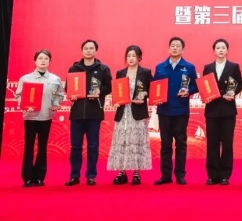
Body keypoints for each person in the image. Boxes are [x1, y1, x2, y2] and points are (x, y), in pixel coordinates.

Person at [65, 40, 112, 186]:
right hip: (77, 113)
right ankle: (74, 175)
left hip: (94, 113)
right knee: (75, 147)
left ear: (95, 51)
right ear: (82, 51)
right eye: (86, 48)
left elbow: (109, 87)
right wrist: (71, 94)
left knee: (93, 147)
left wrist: (99, 91)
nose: (88, 50)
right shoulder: (74, 68)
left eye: (91, 48)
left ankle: (91, 175)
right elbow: (68, 88)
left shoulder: (103, 69)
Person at [153, 37, 199, 185]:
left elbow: (196, 86)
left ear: (182, 50)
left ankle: (180, 174)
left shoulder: (189, 67)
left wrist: (188, 91)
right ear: (168, 48)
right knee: (165, 144)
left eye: (178, 46)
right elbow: (154, 86)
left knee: (181, 143)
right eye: (172, 45)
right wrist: (155, 97)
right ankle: (165, 175)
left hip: (181, 111)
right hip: (164, 110)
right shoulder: (160, 67)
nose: (174, 48)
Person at [16, 49, 63, 187]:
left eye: (46, 58)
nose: (43, 61)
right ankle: (27, 177)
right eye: (40, 58)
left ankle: (39, 177)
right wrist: (24, 105)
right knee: (29, 146)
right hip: (30, 117)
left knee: (42, 146)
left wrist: (56, 104)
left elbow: (59, 95)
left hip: (46, 116)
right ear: (35, 61)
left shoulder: (55, 79)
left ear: (49, 61)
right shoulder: (25, 79)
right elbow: (18, 95)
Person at [107, 45, 153, 185]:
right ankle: (122, 172)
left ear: (139, 58)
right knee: (122, 141)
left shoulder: (145, 73)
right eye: (128, 56)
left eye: (134, 56)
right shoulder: (120, 73)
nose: (131, 58)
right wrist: (116, 101)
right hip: (123, 113)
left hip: (138, 113)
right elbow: (117, 91)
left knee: (136, 142)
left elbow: (152, 90)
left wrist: (144, 94)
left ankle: (136, 173)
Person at [202, 39, 242, 185]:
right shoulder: (208, 67)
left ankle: (225, 174)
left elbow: (239, 84)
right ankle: (213, 175)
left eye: (223, 47)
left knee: (227, 143)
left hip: (227, 110)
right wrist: (205, 95)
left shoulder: (233, 66)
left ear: (227, 50)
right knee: (212, 144)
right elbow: (204, 85)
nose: (220, 50)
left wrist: (232, 93)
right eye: (218, 48)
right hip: (212, 110)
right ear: (214, 51)